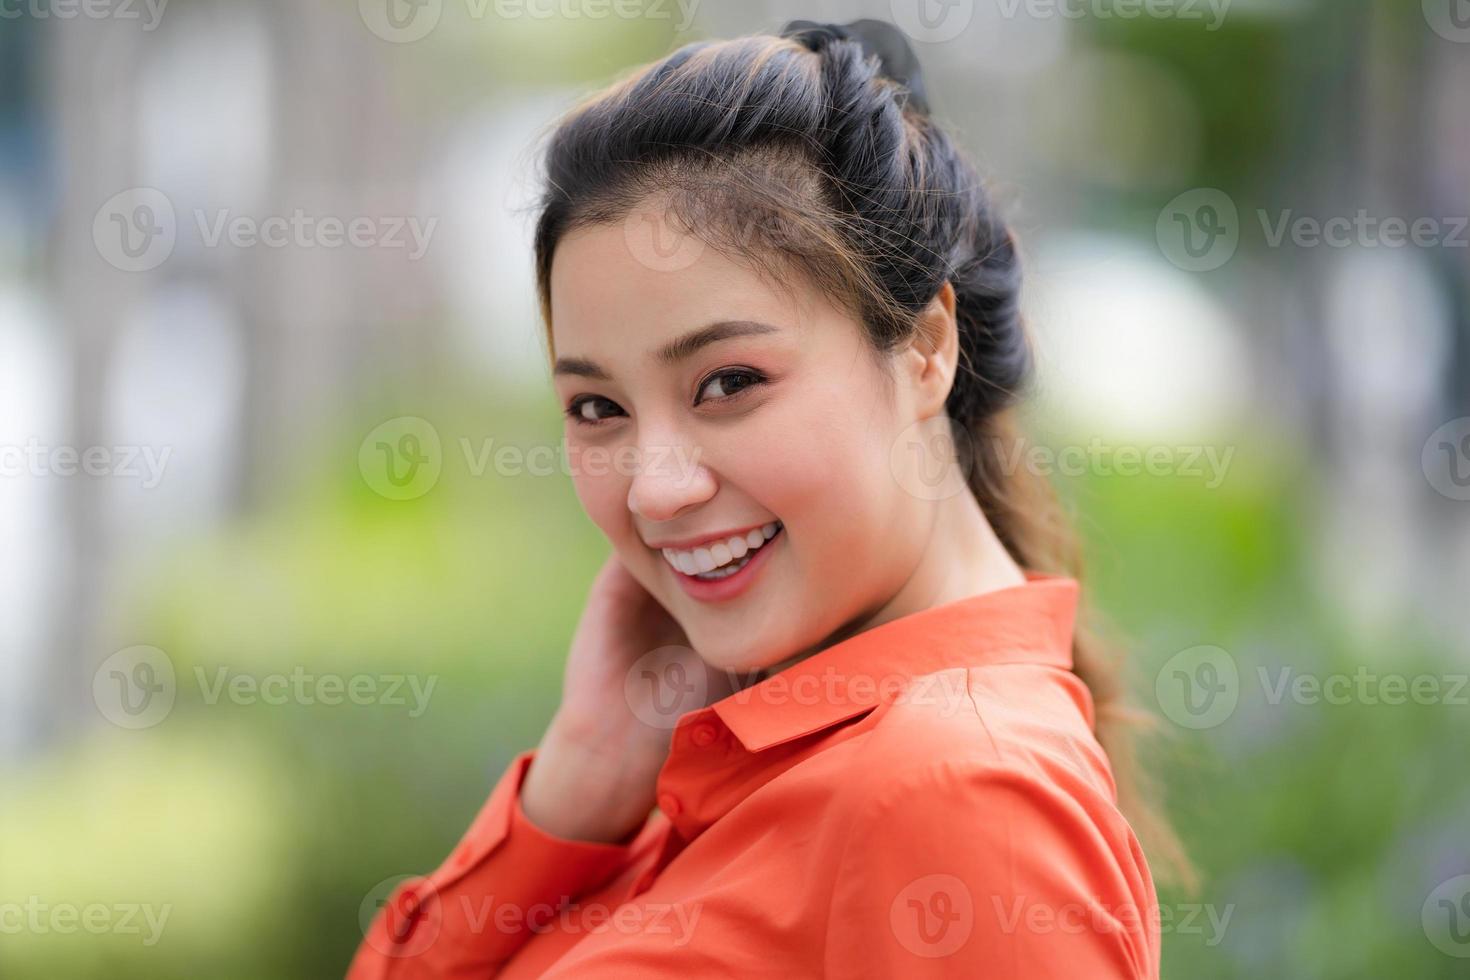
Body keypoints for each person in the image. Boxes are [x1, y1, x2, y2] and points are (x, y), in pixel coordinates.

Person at [349, 17, 1188, 978]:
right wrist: (574, 789)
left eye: (729, 382)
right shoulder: (773, 759)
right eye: (597, 407)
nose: (657, 490)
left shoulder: (954, 794)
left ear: (923, 349)